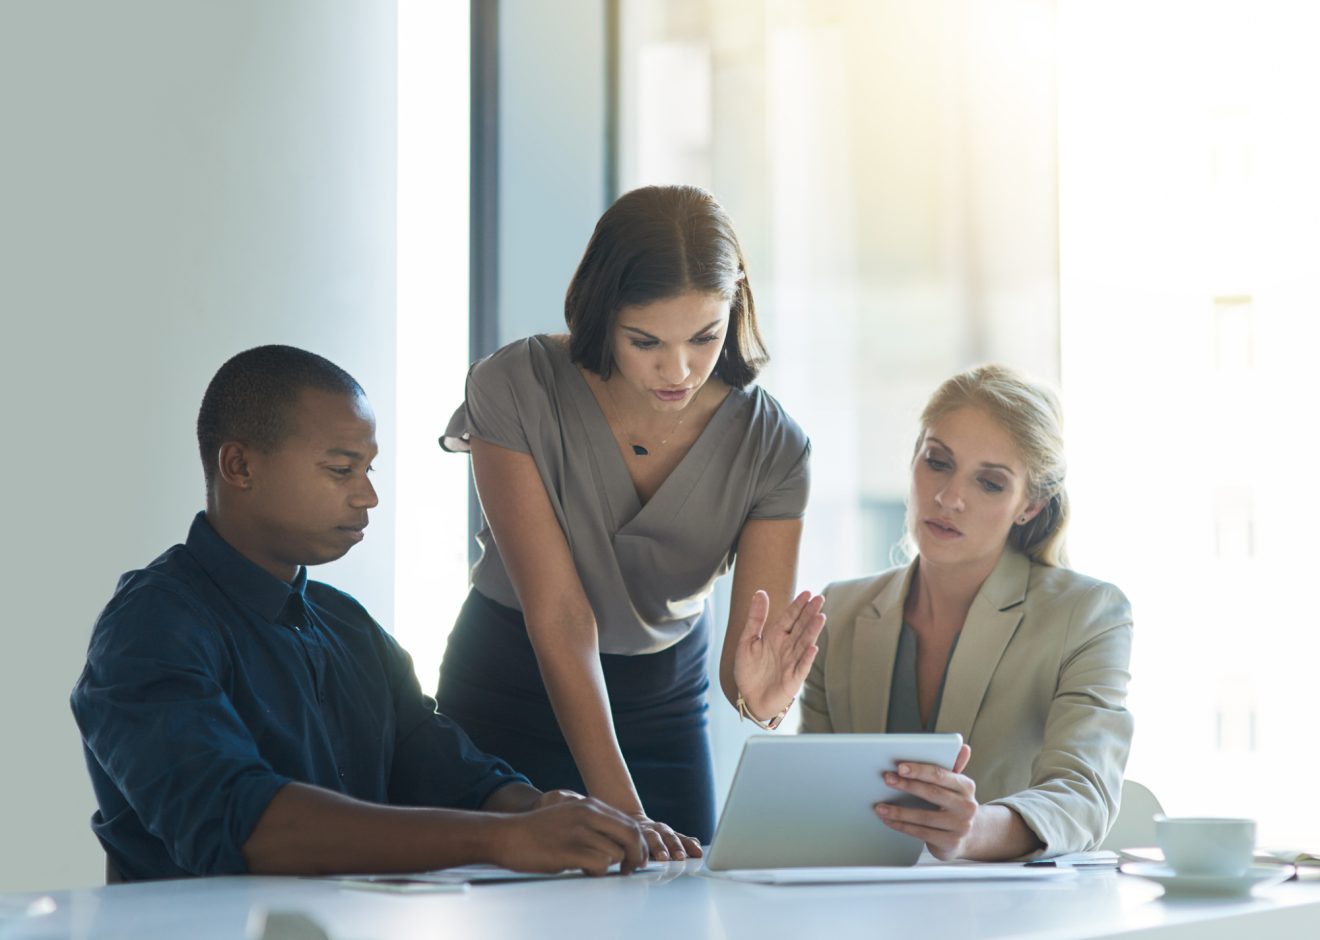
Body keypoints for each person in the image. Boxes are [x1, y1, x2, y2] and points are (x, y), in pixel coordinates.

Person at [70, 345, 647, 882]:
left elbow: (450, 772)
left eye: (369, 470)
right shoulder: (150, 625)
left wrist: (553, 813)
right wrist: (503, 839)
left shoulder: (348, 625)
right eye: (342, 469)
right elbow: (243, 825)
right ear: (239, 466)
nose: (367, 495)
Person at [438, 185, 825, 858]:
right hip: (506, 687)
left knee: (673, 916)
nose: (678, 370)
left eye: (705, 337)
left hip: (662, 707)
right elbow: (558, 612)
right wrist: (620, 810)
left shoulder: (774, 446)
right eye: (645, 341)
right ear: (601, 313)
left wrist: (761, 700)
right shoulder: (514, 387)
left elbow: (745, 678)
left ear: (733, 310)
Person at [800, 365, 1133, 860]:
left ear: (1030, 506)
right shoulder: (840, 612)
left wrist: (974, 830)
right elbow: (809, 796)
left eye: (990, 483)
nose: (949, 497)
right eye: (937, 462)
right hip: (856, 909)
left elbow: (1084, 795)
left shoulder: (1088, 614)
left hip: (1008, 915)